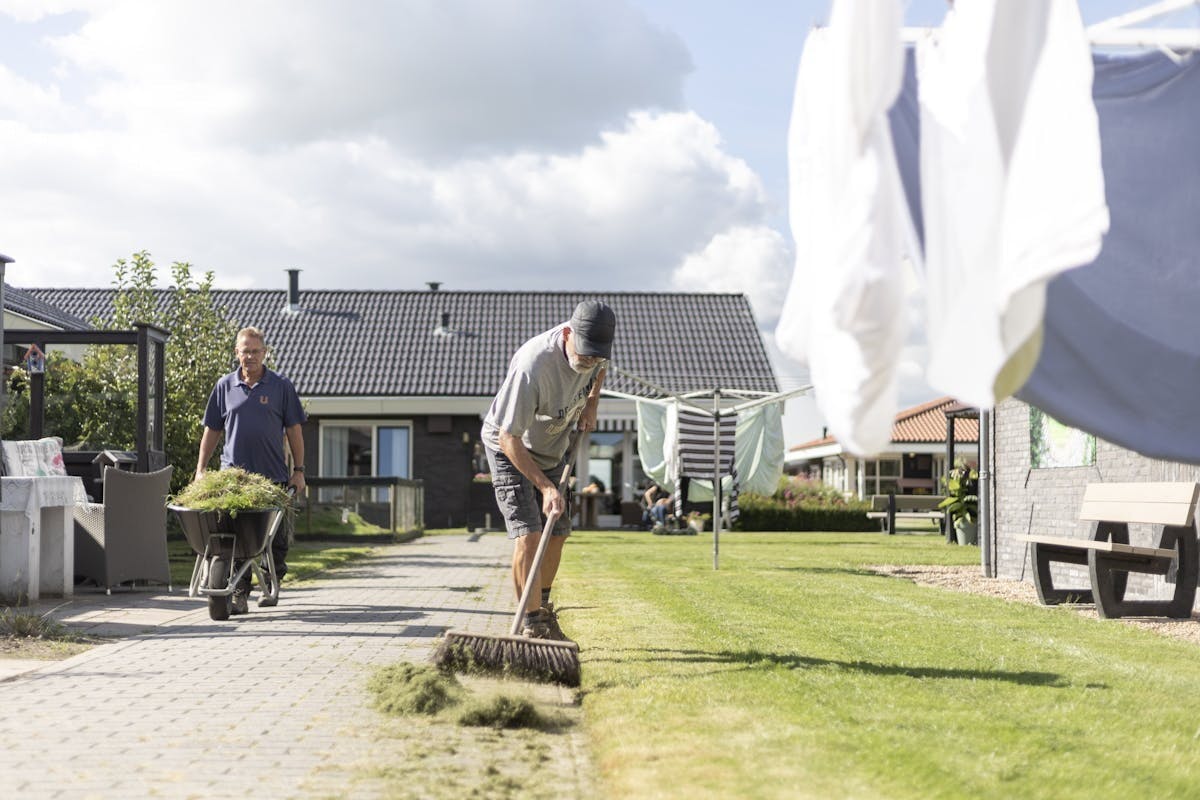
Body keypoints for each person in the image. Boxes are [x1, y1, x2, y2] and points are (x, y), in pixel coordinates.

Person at [481, 299, 615, 639]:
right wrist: (545, 487)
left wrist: (591, 405)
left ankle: (542, 610)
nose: (588, 362)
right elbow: (508, 437)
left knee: (558, 532)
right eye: (583, 355)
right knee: (529, 534)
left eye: (595, 357)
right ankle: (531, 626)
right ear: (568, 333)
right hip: (511, 449)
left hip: (553, 448)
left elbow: (600, 370)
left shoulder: (596, 353)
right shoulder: (533, 366)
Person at [195, 326, 307, 614]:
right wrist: (201, 469)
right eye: (245, 351)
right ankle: (239, 592)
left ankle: (272, 580)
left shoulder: (281, 386)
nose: (251, 356)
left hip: (272, 479)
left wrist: (299, 470)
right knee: (235, 538)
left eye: (256, 351)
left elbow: (294, 430)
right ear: (237, 353)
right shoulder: (224, 386)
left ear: (265, 353)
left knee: (274, 541)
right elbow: (212, 430)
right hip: (234, 479)